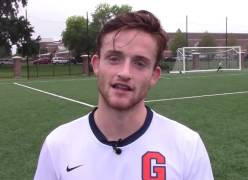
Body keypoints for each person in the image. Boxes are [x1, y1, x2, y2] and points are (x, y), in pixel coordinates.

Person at [34, 10, 214, 180]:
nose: (125, 72)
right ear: (96, 64)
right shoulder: (58, 145)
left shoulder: (187, 147)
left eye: (140, 63)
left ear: (154, 76)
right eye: (114, 58)